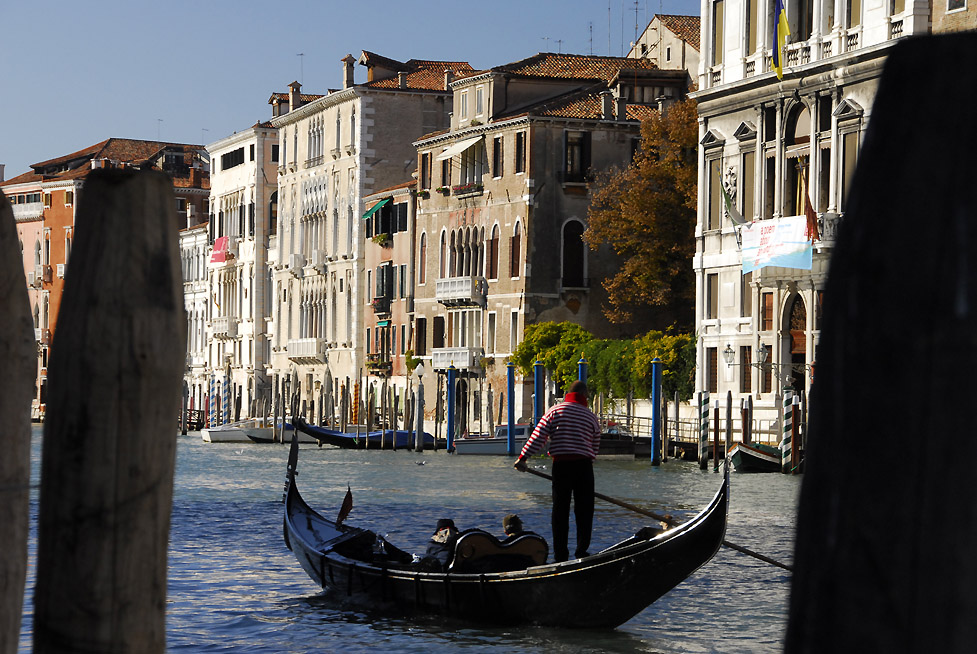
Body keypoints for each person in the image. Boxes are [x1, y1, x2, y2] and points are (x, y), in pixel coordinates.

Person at [514, 380, 601, 562]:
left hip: (562, 466)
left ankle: (561, 554)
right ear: (584, 396)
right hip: (584, 467)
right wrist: (588, 461)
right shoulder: (591, 417)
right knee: (585, 511)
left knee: (560, 511)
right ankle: (581, 552)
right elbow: (595, 446)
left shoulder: (555, 411)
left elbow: (538, 437)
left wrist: (523, 457)